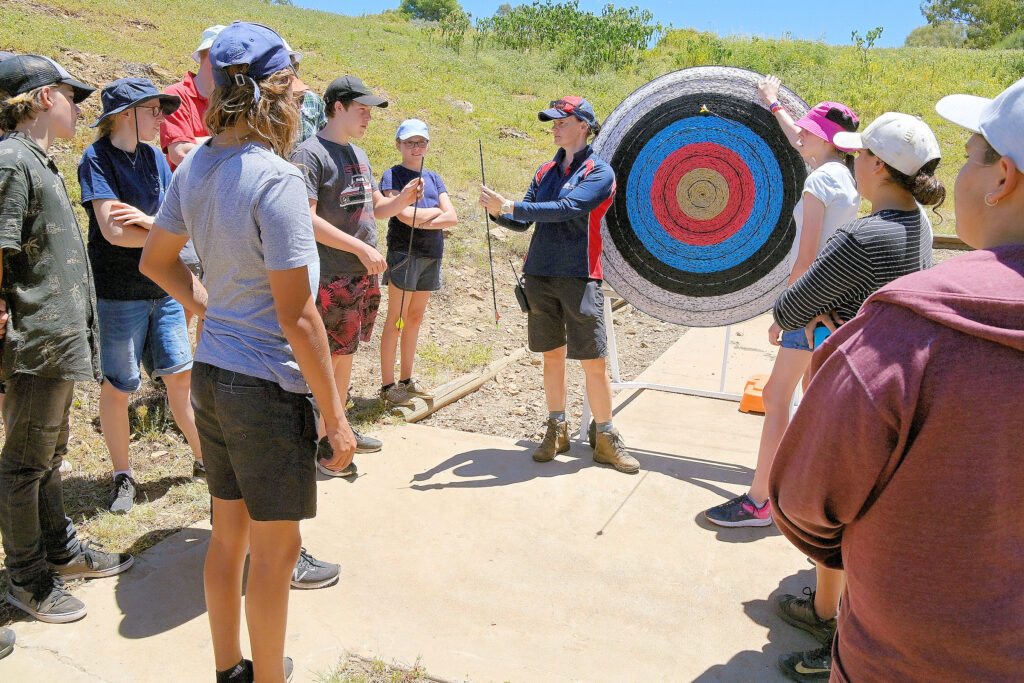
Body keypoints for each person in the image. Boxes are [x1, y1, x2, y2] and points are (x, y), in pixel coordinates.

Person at [770, 76, 1024, 683]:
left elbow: (806, 501)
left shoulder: (894, 295)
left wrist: (861, 556)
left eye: (973, 157)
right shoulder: (917, 230)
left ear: (1002, 179)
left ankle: (826, 612)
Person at [139, 22, 356, 682]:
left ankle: (231, 666)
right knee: (277, 547)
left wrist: (206, 305)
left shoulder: (199, 161)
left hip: (213, 376)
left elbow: (156, 260)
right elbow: (299, 318)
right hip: (266, 389)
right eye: (293, 85)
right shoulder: (278, 179)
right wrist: (337, 417)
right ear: (275, 93)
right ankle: (268, 674)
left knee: (228, 533)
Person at [766, 112, 946, 682]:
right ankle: (827, 613)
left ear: (876, 166)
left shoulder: (864, 235)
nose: (853, 164)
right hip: (900, 387)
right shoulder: (916, 223)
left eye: (860, 155)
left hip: (857, 391)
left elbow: (789, 311)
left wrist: (819, 313)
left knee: (839, 511)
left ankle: (841, 641)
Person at [0, 54, 134, 624]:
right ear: (41, 98)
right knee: (26, 463)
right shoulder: (10, 160)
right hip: (34, 341)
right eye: (70, 95)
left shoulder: (37, 159)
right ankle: (27, 579)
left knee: (49, 455)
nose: (79, 107)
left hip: (58, 338)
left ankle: (62, 551)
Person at [705, 79, 860, 528]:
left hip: (809, 304)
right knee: (812, 401)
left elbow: (807, 257)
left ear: (825, 140)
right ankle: (806, 492)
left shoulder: (819, 180)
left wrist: (784, 311)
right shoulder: (843, 176)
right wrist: (773, 104)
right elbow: (797, 138)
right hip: (833, 303)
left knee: (777, 397)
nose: (800, 136)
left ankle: (760, 502)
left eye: (808, 131)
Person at [480, 96, 637, 474]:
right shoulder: (545, 170)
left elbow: (568, 210)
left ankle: (606, 437)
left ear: (583, 125)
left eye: (561, 121)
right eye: (552, 122)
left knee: (593, 363)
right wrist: (498, 213)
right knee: (551, 356)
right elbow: (524, 224)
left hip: (580, 277)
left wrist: (512, 206)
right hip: (539, 275)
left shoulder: (600, 172)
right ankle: (557, 428)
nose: (554, 127)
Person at [77, 78, 205, 513]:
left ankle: (207, 460)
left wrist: (149, 225)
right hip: (117, 294)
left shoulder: (155, 156)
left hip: (165, 288)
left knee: (180, 377)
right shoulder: (96, 158)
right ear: (125, 113)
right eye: (154, 109)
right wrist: (160, 229)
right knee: (119, 386)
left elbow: (178, 221)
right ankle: (122, 475)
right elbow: (114, 232)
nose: (162, 118)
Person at [289, 74, 422, 473]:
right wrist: (360, 248)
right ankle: (320, 441)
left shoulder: (360, 155)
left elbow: (372, 210)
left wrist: (399, 201)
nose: (367, 117)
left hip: (360, 275)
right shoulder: (309, 155)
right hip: (330, 275)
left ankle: (337, 429)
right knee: (325, 359)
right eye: (361, 109)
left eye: (369, 111)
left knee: (345, 355)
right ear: (338, 107)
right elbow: (306, 219)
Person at [378, 119, 458, 406]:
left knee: (414, 319)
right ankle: (388, 386)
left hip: (430, 255)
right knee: (397, 321)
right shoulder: (392, 176)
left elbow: (453, 217)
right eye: (410, 143)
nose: (416, 148)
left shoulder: (434, 178)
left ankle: (407, 380)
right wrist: (432, 215)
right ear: (399, 145)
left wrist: (420, 217)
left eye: (421, 142)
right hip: (404, 255)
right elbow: (401, 215)